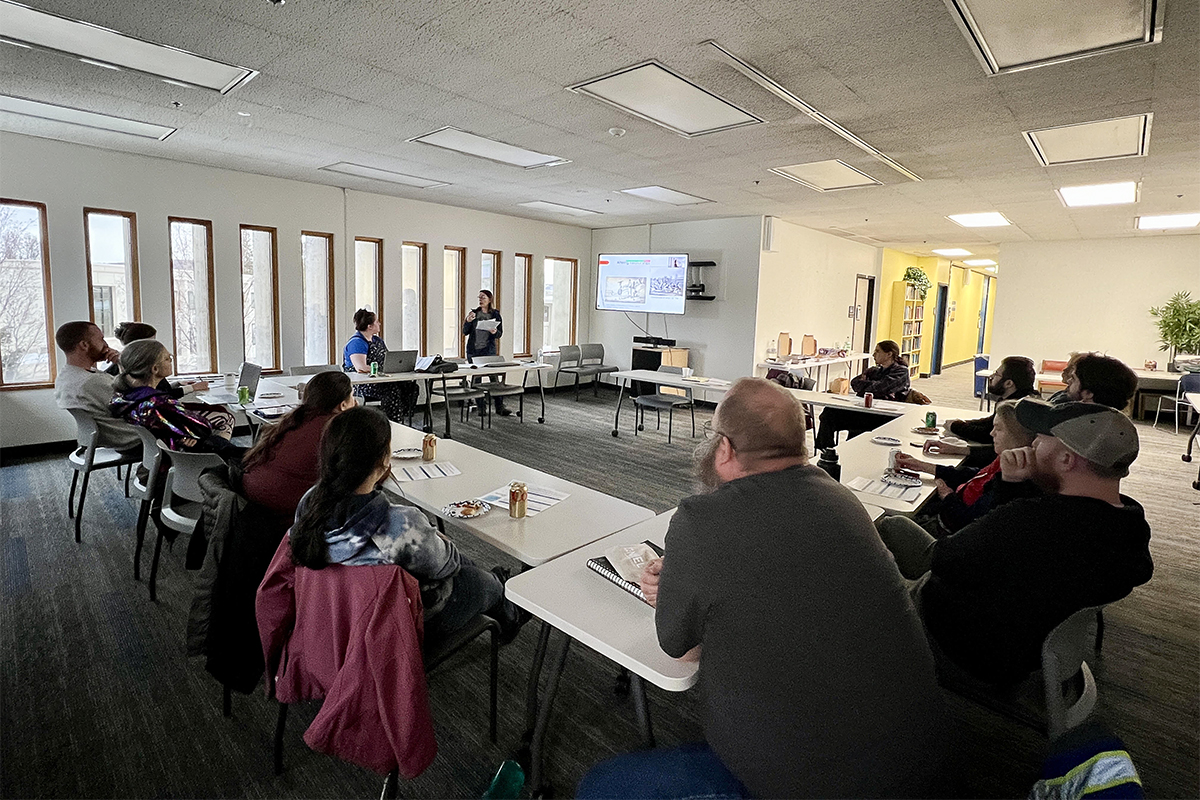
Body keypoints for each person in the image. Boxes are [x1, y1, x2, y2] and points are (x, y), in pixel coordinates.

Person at [578, 378, 948, 799]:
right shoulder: (843, 501)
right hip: (919, 755)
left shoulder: (701, 521)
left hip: (821, 783)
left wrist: (674, 594)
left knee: (600, 787)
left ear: (725, 449)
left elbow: (680, 649)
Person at [877, 399, 1153, 685]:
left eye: (1041, 441)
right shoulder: (1130, 522)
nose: (1031, 447)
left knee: (878, 532)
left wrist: (1010, 488)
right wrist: (1018, 488)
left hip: (961, 647)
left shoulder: (1032, 522)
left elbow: (943, 559)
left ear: (1067, 460)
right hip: (1030, 647)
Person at [287, 406, 523, 642]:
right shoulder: (400, 525)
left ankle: (495, 580)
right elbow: (446, 566)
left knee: (464, 565)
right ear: (384, 458)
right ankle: (508, 610)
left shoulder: (309, 502)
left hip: (335, 615)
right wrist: (439, 539)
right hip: (405, 621)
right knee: (483, 583)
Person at [882, 399, 1040, 537]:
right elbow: (973, 476)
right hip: (948, 512)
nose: (991, 434)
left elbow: (966, 521)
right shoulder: (1003, 461)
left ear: (1019, 436)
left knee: (886, 522)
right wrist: (923, 466)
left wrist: (948, 497)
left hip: (945, 530)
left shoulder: (1010, 483)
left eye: (998, 429)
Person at [240, 371, 355, 522]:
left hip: (251, 494)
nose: (355, 401)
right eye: (352, 396)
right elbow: (369, 472)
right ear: (343, 405)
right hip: (283, 508)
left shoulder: (296, 419)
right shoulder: (335, 429)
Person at [110, 339, 239, 456]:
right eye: (168, 359)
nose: (171, 360)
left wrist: (181, 432)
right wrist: (183, 431)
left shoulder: (124, 396)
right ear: (155, 369)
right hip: (176, 454)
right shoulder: (160, 403)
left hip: (160, 449)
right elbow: (202, 428)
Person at [53, 320, 140, 453]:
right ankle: (151, 471)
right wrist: (123, 363)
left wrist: (120, 364)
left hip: (109, 438)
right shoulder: (90, 382)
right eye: (101, 339)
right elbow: (137, 399)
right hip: (133, 439)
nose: (106, 345)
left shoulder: (66, 376)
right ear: (84, 345)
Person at [936, 355, 1039, 466]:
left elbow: (986, 435)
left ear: (1009, 383)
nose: (992, 377)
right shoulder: (1012, 399)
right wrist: (964, 423)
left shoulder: (1017, 408)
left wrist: (956, 427)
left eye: (997, 374)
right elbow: (990, 422)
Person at [813, 340, 911, 449]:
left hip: (883, 415)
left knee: (848, 423)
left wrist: (867, 384)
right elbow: (854, 383)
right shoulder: (875, 370)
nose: (874, 354)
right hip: (865, 410)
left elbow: (879, 388)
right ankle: (826, 450)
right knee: (829, 412)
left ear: (889, 354)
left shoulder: (901, 372)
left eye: (878, 351)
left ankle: (844, 449)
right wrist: (870, 385)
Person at [342, 308, 419, 423]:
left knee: (411, 387)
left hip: (381, 379)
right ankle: (390, 422)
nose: (379, 323)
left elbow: (387, 359)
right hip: (363, 383)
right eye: (377, 321)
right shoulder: (356, 342)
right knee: (391, 390)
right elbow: (361, 368)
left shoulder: (377, 340)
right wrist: (382, 372)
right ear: (370, 326)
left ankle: (402, 419)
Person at [107, 321, 210, 398]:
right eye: (167, 359)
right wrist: (192, 388)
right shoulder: (143, 367)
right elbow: (161, 396)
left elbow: (157, 390)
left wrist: (177, 384)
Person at [462, 289, 510, 416]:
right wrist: (468, 321)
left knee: (493, 378)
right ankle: (481, 407)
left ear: (490, 299)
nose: (480, 300)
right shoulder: (474, 313)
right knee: (477, 379)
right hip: (474, 351)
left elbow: (499, 333)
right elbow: (465, 332)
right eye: (479, 297)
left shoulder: (495, 314)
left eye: (483, 297)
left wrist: (495, 332)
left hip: (488, 350)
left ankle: (499, 406)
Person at [1056, 352, 1138, 410]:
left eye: (1073, 379)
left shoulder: (1067, 418)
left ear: (1088, 393)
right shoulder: (1120, 423)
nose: (1069, 381)